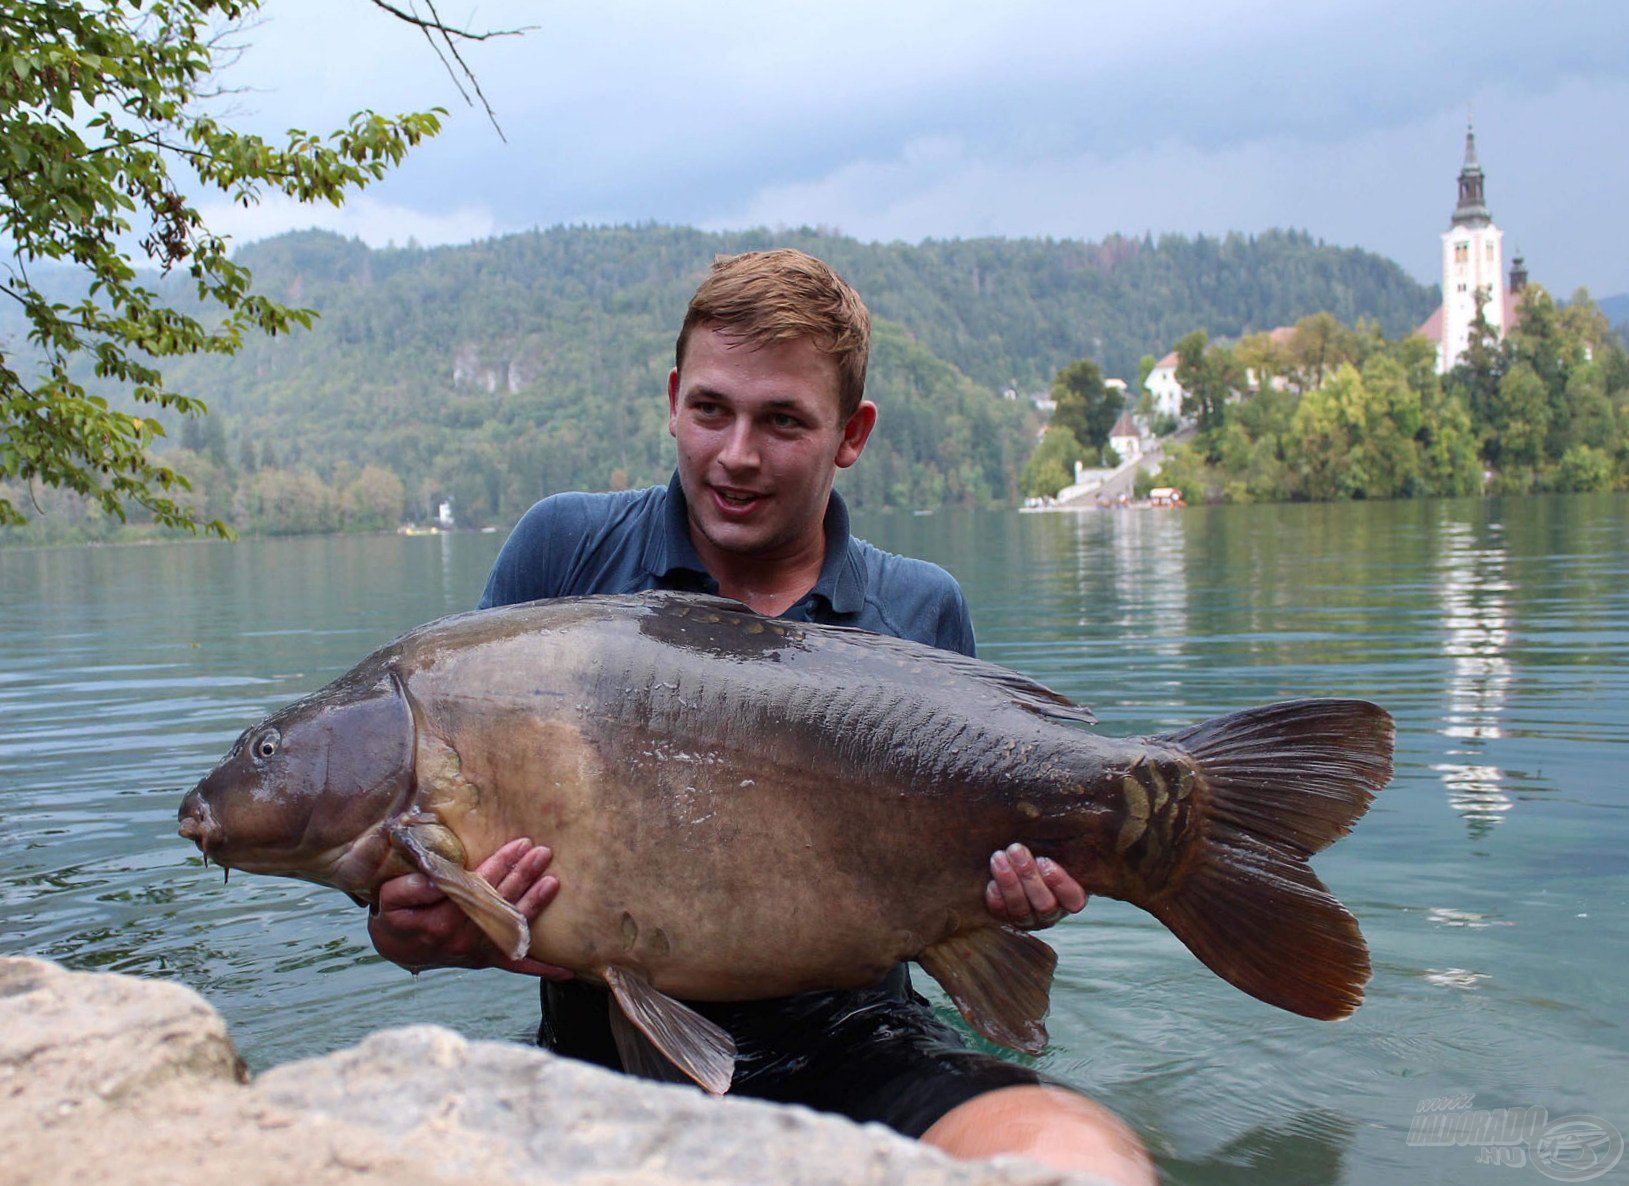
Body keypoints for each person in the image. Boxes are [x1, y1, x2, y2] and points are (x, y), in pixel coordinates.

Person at [368, 249, 1155, 1185]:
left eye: (782, 421)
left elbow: (978, 890)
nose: (736, 454)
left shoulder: (917, 612)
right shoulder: (563, 557)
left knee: (1086, 1159)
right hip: (602, 1066)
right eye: (711, 410)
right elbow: (403, 895)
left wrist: (1028, 890)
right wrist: (419, 929)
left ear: (851, 433)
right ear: (672, 399)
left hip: (858, 1044)